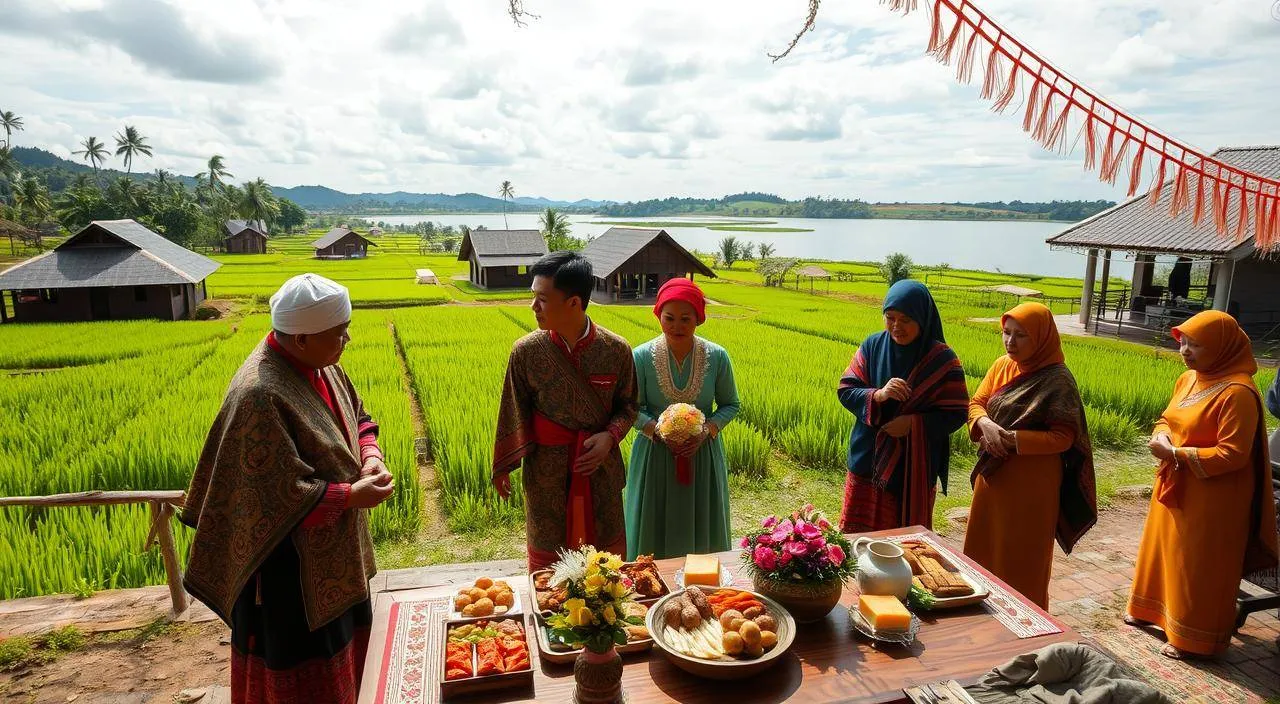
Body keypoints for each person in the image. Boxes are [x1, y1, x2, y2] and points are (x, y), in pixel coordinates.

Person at [181, 274, 395, 704]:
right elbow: (269, 497)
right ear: (300, 338)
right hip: (288, 575)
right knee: (302, 670)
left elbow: (360, 417)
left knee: (347, 646)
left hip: (333, 554)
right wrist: (351, 496)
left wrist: (369, 454)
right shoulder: (260, 395)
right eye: (340, 331)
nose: (347, 338)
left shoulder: (321, 363)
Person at [1126, 311, 1279, 659]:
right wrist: (1162, 434)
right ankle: (1151, 611)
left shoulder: (1238, 392)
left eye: (1197, 344)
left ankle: (1193, 638)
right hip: (1176, 483)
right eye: (1184, 341)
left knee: (1198, 566)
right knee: (1163, 552)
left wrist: (1177, 453)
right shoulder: (1189, 379)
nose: (1186, 350)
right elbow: (1167, 417)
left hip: (1214, 498)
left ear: (1221, 348)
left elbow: (1233, 455)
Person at [492, 251, 639, 570]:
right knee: (548, 567)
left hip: (598, 469)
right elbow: (513, 409)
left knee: (605, 567)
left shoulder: (616, 350)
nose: (533, 307)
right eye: (534, 297)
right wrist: (503, 465)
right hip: (546, 476)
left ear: (573, 302)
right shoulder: (526, 352)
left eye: (542, 299)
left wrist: (610, 437)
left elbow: (628, 407)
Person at [962, 303, 1097, 609]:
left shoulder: (1058, 380)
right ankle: (979, 607)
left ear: (1041, 337)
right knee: (984, 545)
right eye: (1006, 333)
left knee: (1023, 556)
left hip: (1032, 483)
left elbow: (1064, 437)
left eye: (1020, 335)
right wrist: (985, 424)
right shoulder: (1002, 366)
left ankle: (1024, 618)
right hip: (993, 477)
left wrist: (1012, 439)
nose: (1010, 342)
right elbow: (977, 402)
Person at [836, 280, 969, 532]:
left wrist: (913, 424)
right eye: (890, 317)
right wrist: (878, 395)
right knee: (857, 539)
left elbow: (957, 412)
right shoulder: (873, 346)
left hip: (913, 469)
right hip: (868, 461)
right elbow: (846, 389)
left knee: (903, 543)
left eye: (906, 319)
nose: (897, 326)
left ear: (922, 317)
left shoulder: (942, 360)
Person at [624, 278, 740, 559]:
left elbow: (730, 405)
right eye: (670, 318)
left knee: (702, 522)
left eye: (686, 318)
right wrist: (656, 430)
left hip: (702, 454)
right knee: (654, 518)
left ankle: (704, 579)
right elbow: (629, 407)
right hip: (655, 455)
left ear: (699, 319)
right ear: (658, 316)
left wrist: (706, 431)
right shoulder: (640, 357)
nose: (677, 326)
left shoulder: (717, 357)